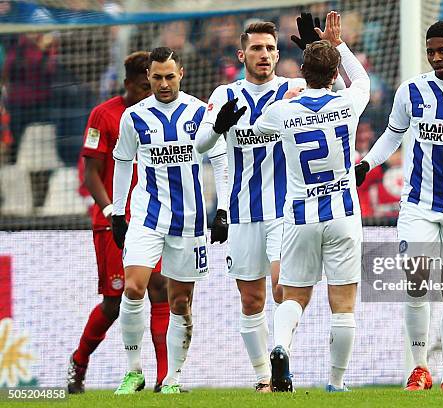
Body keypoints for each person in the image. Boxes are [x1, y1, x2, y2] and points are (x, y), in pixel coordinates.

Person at [195, 17, 342, 391]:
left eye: (271, 48)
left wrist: (326, 52)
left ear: (279, 54)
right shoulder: (225, 95)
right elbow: (199, 145)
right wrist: (217, 127)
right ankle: (265, 378)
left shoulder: (293, 89)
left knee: (280, 289)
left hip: (284, 210)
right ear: (241, 53)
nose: (265, 55)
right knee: (251, 299)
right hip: (243, 212)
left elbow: (338, 93)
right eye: (257, 48)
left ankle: (282, 358)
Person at [355, 21, 443, 391]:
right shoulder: (412, 91)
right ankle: (419, 368)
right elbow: (392, 135)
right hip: (417, 203)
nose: (435, 57)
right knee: (417, 279)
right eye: (430, 51)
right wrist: (368, 164)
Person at [248, 10, 369, 392]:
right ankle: (336, 382)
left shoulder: (282, 111)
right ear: (334, 75)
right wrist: (336, 45)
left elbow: (257, 131)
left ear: (302, 70)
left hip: (299, 216)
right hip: (342, 214)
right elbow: (362, 79)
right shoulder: (347, 105)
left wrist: (301, 80)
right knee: (343, 303)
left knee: (294, 296)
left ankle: (281, 347)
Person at [112, 47, 228, 394]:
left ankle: (172, 379)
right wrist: (119, 212)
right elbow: (122, 162)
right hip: (147, 217)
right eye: (157, 77)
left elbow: (219, 160)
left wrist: (221, 210)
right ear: (147, 76)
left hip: (190, 221)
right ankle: (134, 371)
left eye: (169, 76)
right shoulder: (134, 117)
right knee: (133, 288)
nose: (163, 83)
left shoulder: (198, 112)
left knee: (180, 302)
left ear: (182, 73)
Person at [68, 51, 170, 394]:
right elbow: (92, 172)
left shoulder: (160, 114)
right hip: (113, 221)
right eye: (144, 86)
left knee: (159, 288)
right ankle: (79, 362)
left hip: (152, 217)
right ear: (128, 84)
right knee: (115, 302)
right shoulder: (104, 114)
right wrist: (112, 210)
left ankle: (163, 378)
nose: (149, 92)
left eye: (153, 84)